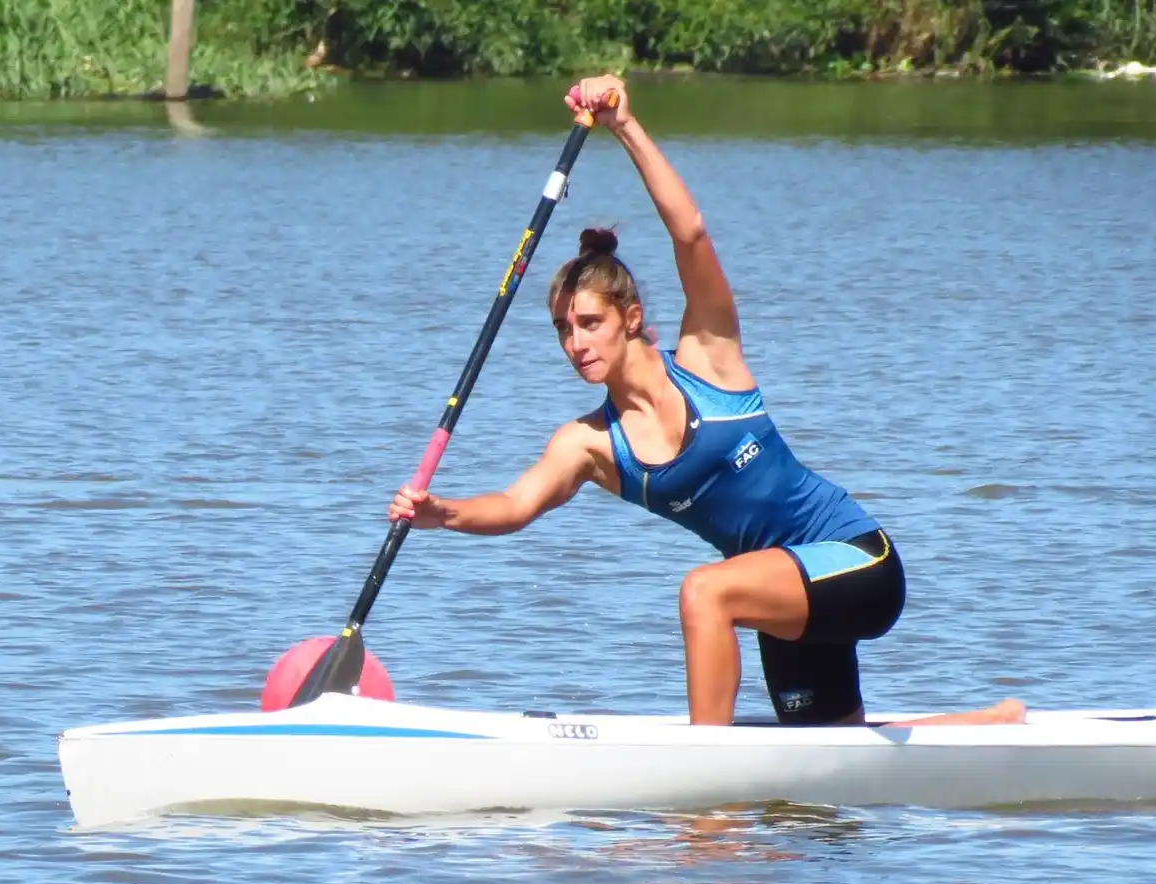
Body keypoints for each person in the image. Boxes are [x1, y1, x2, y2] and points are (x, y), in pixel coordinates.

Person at [388, 75, 1027, 729]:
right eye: (562, 329)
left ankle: (705, 811)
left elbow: (690, 235)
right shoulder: (588, 445)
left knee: (704, 590)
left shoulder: (708, 357)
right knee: (828, 761)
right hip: (778, 595)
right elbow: (515, 506)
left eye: (588, 322)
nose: (574, 342)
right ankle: (992, 725)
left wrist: (624, 128)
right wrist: (443, 512)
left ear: (631, 316)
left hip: (857, 562)